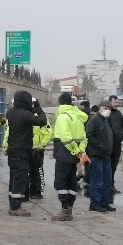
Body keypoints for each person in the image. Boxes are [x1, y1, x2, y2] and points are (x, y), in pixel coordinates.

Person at [3, 91, 46, 217]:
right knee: (20, 180)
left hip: (12, 151)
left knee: (13, 178)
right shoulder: (25, 114)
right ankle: (16, 207)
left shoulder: (10, 112)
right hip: (23, 152)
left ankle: (12, 204)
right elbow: (42, 121)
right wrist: (37, 107)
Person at [51, 92, 88, 221]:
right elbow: (84, 138)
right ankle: (69, 208)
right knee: (71, 181)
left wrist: (75, 150)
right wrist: (80, 151)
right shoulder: (77, 117)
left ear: (60, 103)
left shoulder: (62, 117)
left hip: (64, 153)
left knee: (61, 182)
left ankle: (65, 210)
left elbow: (65, 138)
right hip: (74, 156)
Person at [85, 98, 115, 213]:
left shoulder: (106, 121)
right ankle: (95, 203)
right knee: (97, 181)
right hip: (97, 155)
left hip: (106, 155)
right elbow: (89, 136)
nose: (108, 110)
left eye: (109, 109)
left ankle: (104, 202)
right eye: (105, 108)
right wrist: (100, 146)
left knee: (107, 180)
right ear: (100, 108)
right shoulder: (94, 120)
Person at [29, 103, 52, 200]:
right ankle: (31, 190)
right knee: (29, 171)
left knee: (38, 170)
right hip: (28, 148)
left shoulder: (41, 119)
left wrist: (41, 146)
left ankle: (38, 191)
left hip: (37, 150)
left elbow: (48, 133)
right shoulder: (27, 116)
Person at [106, 96, 123, 198]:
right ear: (110, 103)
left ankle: (111, 185)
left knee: (114, 165)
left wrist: (121, 135)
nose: (116, 104)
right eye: (115, 102)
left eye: (117, 102)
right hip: (108, 145)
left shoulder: (119, 114)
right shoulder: (106, 113)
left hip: (117, 144)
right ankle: (106, 185)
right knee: (107, 166)